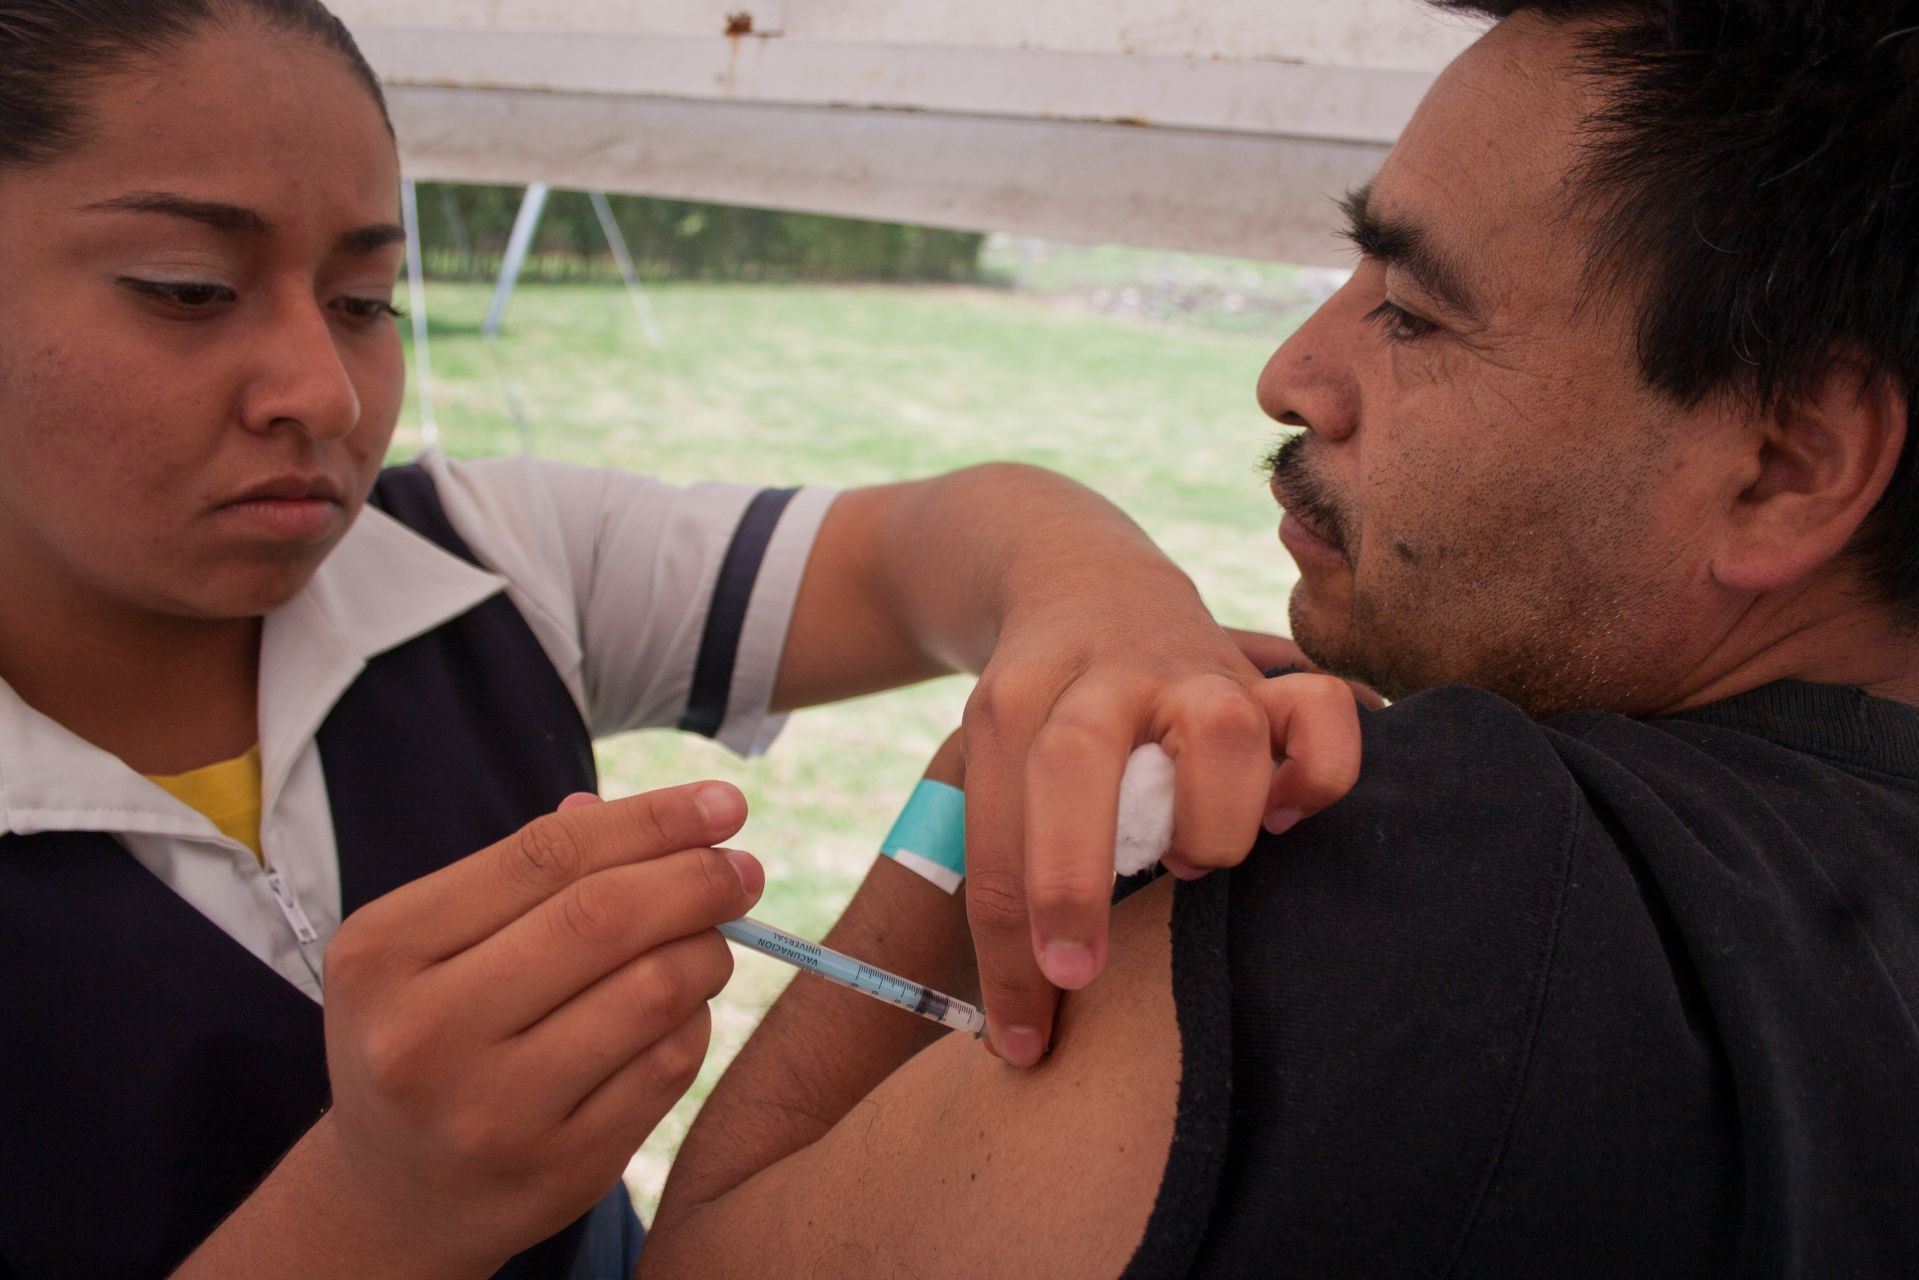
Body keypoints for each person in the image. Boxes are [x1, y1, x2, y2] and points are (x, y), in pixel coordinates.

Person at [0, 2, 1366, 1276]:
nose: (321, 389)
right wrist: (373, 1209)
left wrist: (1101, 614)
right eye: (186, 288)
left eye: (365, 300)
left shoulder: (480, 558)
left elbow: (934, 544)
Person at [643, 0, 1919, 1274]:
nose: (1289, 369)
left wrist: (973, 795)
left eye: (1412, 312)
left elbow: (705, 1255)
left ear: (1784, 466)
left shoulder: (1428, 875)